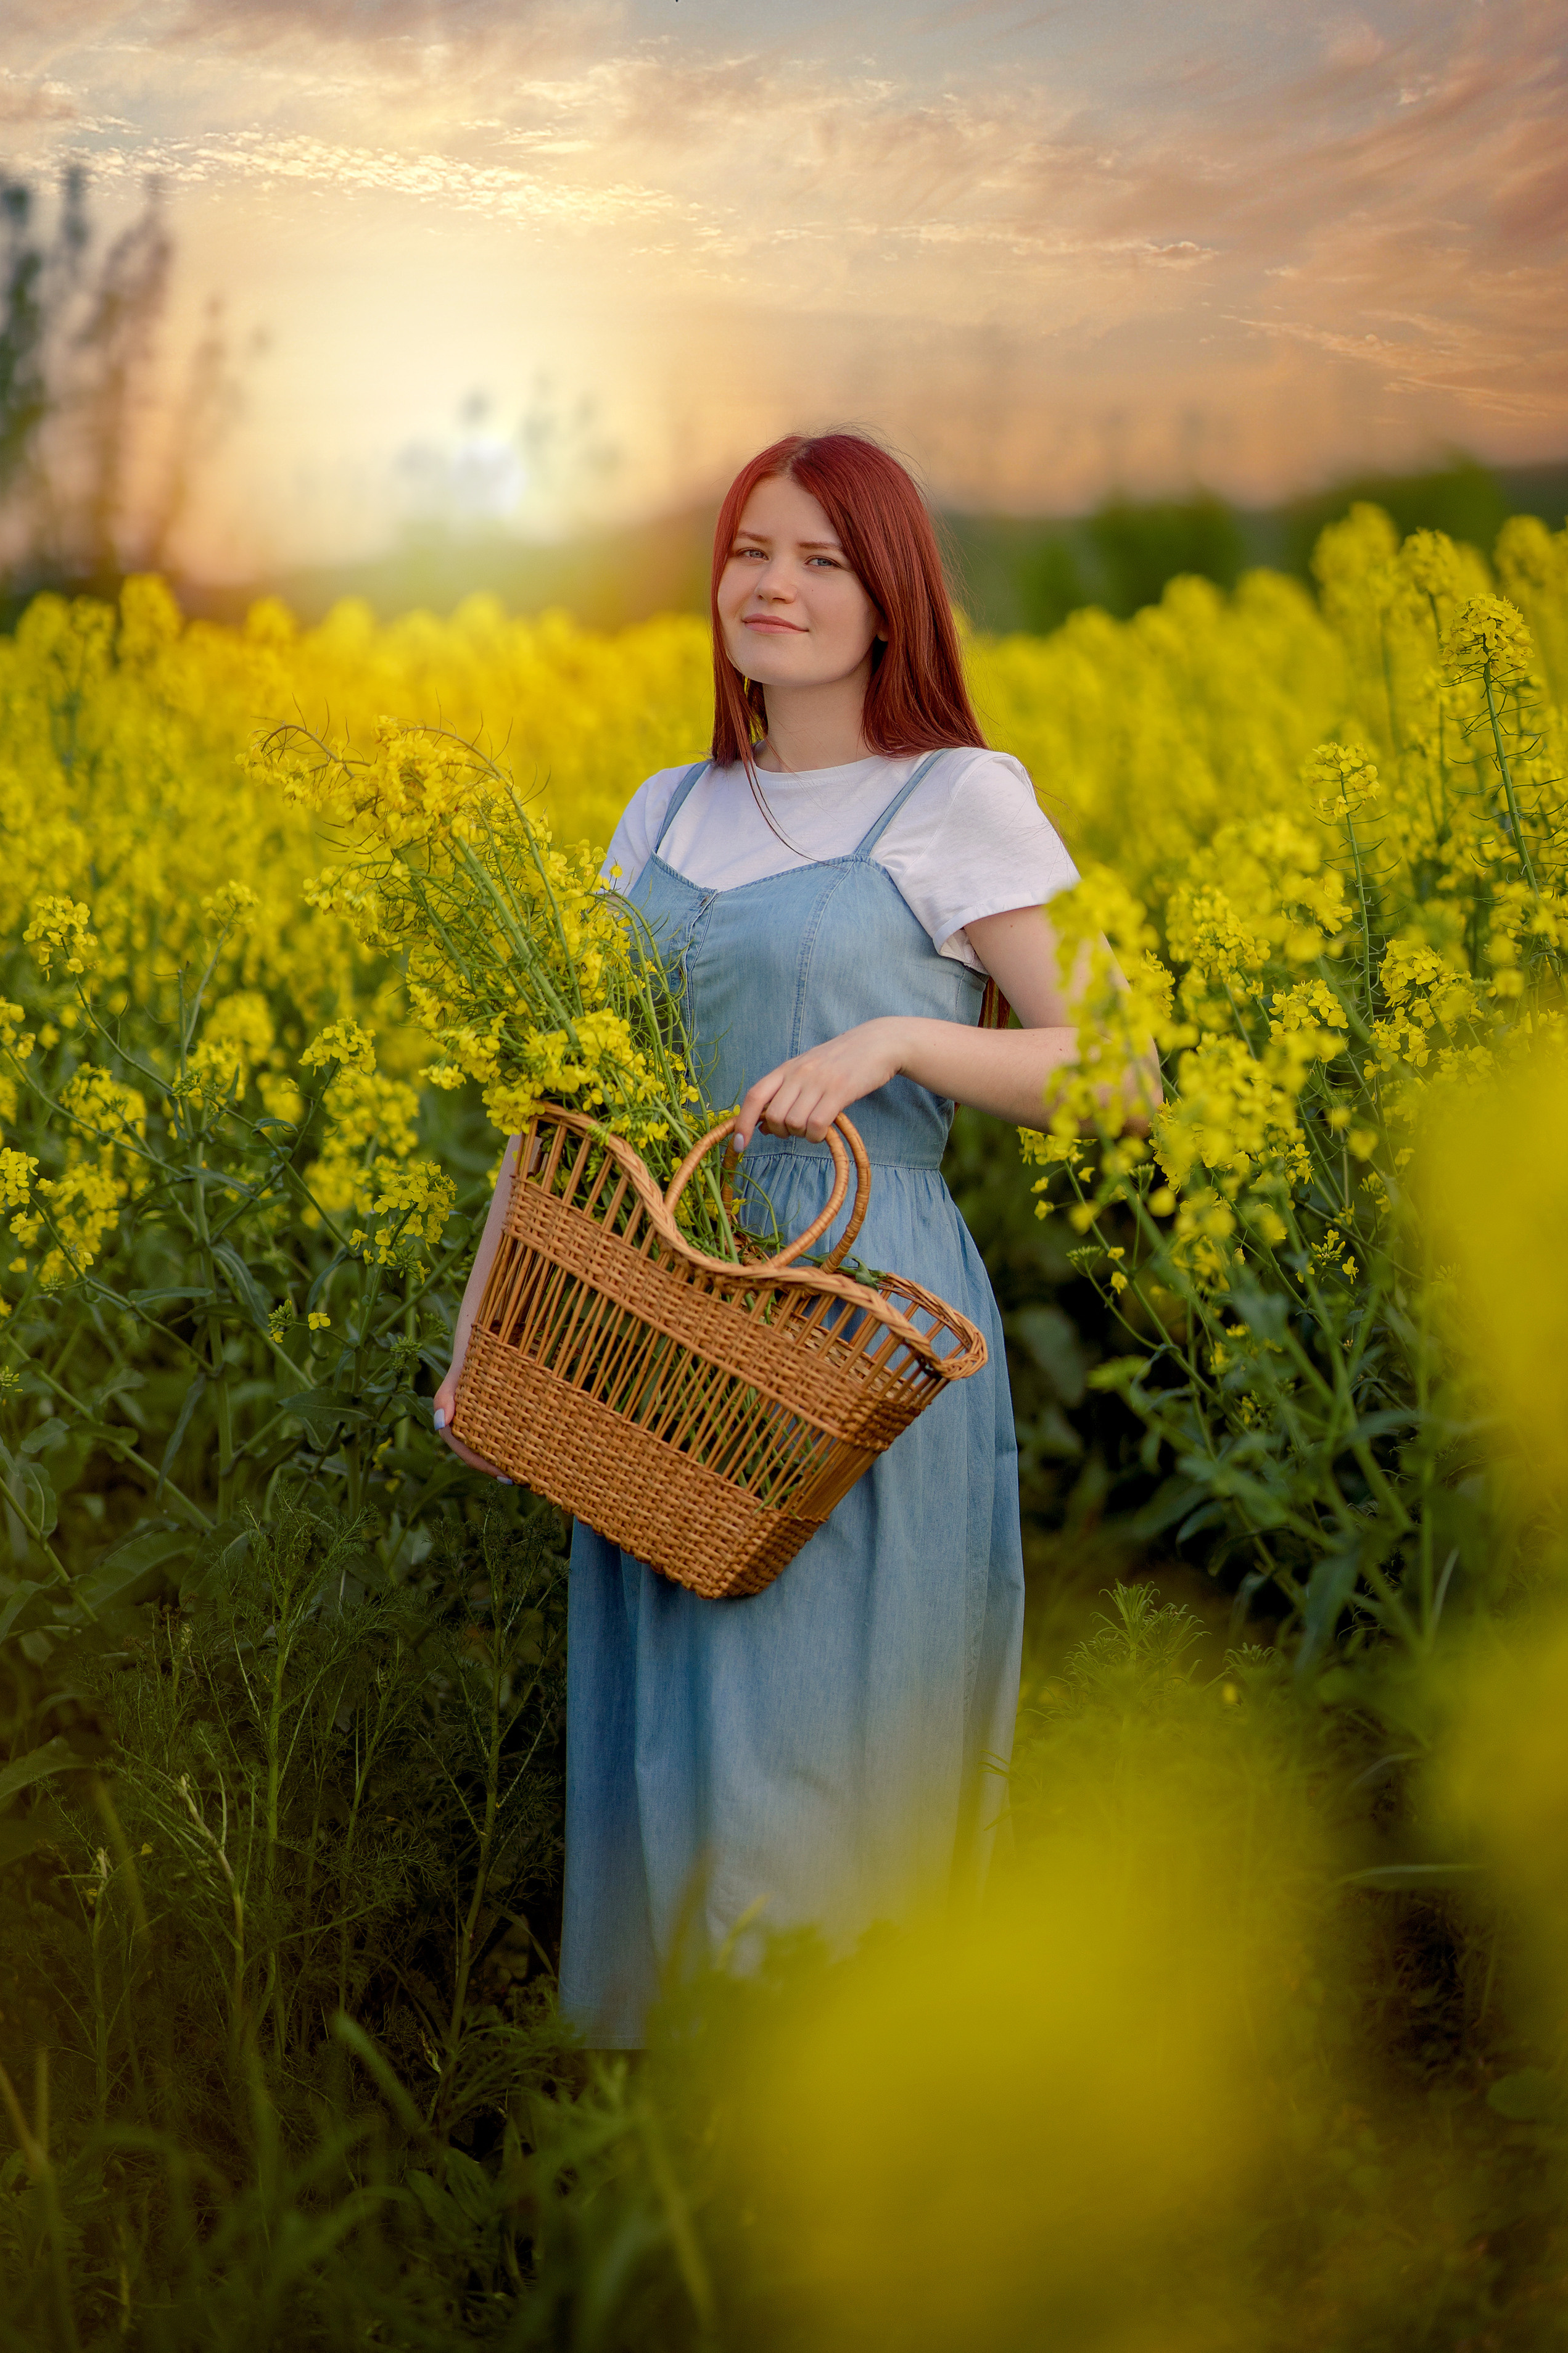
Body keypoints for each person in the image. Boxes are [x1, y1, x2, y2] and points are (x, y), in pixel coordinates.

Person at [434, 431, 1157, 2047]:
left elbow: (1119, 1076)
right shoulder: (665, 808)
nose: (776, 585)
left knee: (820, 1748)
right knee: (675, 1745)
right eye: (752, 550)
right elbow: (586, 1103)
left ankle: (852, 2151)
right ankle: (689, 2191)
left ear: (891, 599)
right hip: (662, 1319)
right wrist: (500, 1351)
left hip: (858, 1324)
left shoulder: (958, 798)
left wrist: (903, 1047)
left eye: (824, 559)